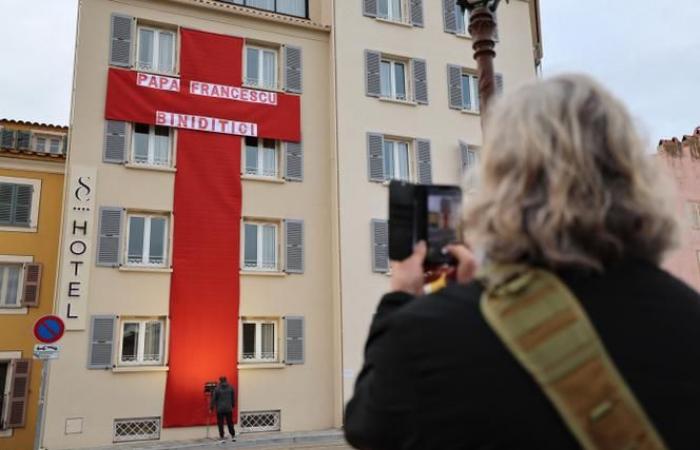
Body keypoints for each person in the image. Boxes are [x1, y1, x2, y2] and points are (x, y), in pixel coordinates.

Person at [344, 74, 700, 449]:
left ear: (501, 184)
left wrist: (401, 298)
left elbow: (369, 428)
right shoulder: (690, 316)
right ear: (633, 177)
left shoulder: (425, 336)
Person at [210, 376, 236, 442]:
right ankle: (233, 436)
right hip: (228, 408)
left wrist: (211, 407)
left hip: (220, 409)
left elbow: (213, 399)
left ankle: (222, 437)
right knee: (230, 422)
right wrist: (232, 405)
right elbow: (233, 397)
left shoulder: (217, 389)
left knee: (220, 423)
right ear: (226, 380)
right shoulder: (230, 387)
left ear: (220, 381)